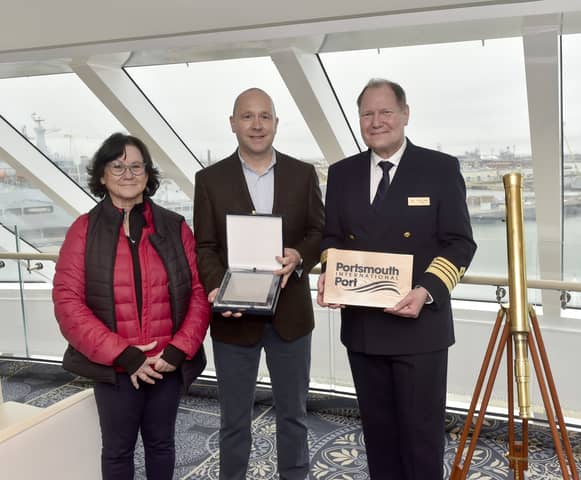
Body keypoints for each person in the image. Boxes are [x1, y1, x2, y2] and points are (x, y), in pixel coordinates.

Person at [317, 79, 476, 479]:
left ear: (405, 114)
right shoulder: (342, 174)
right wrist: (330, 276)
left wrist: (426, 289)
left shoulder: (440, 169)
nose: (376, 121)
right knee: (379, 437)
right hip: (364, 328)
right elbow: (331, 238)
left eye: (385, 111)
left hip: (420, 328)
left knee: (421, 439)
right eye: (367, 114)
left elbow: (459, 244)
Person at [52, 133, 210, 480]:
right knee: (117, 452)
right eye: (117, 165)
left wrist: (178, 350)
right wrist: (124, 354)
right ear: (102, 175)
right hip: (117, 369)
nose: (128, 173)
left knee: (162, 446)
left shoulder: (174, 226)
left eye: (136, 165)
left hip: (166, 364)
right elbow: (67, 304)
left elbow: (198, 293)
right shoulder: (84, 230)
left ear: (148, 173)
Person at [193, 87, 324, 480]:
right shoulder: (209, 180)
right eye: (247, 116)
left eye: (265, 116)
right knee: (233, 421)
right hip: (234, 317)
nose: (256, 124)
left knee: (294, 418)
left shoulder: (303, 175)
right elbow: (205, 246)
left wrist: (300, 255)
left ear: (276, 124)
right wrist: (218, 289)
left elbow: (319, 232)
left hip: (292, 318)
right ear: (233, 124)